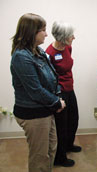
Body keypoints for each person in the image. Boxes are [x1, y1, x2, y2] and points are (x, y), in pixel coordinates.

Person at [10, 13, 66, 172]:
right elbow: (35, 90)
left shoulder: (38, 51)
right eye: (43, 30)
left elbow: (52, 77)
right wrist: (56, 102)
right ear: (31, 32)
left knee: (51, 149)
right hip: (33, 113)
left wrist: (57, 98)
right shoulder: (21, 57)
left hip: (45, 109)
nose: (46, 34)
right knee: (39, 156)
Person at [46, 21, 81, 167]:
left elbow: (68, 66)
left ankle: (68, 145)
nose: (74, 37)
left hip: (69, 88)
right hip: (59, 92)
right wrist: (57, 96)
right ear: (62, 37)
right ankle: (59, 157)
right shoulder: (49, 53)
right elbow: (48, 77)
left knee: (73, 118)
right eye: (71, 35)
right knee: (61, 124)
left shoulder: (68, 47)